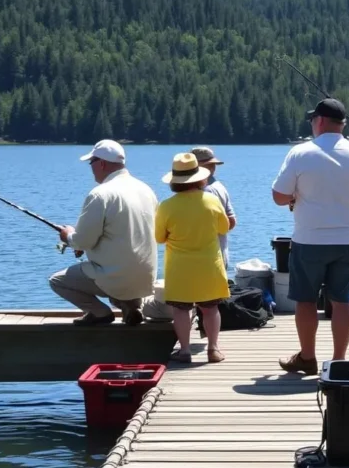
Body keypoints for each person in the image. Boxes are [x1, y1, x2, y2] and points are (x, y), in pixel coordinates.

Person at [271, 97, 349, 375]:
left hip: (310, 240)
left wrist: (296, 195)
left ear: (320, 121)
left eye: (312, 119)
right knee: (342, 299)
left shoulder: (300, 153)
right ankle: (339, 360)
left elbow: (279, 196)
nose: (312, 124)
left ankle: (307, 358)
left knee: (306, 300)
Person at [50, 140, 158, 326]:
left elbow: (82, 240)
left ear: (101, 163)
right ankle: (132, 307)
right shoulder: (146, 190)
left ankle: (99, 313)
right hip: (145, 278)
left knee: (57, 281)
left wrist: (67, 235)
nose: (91, 168)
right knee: (117, 272)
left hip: (117, 278)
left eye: (91, 163)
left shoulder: (100, 194)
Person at [155, 152, 231, 364]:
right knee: (210, 309)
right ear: (200, 177)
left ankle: (185, 350)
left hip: (180, 267)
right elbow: (224, 227)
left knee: (181, 310)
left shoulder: (166, 206)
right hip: (209, 265)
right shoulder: (212, 201)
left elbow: (159, 237)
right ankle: (213, 349)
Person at [191, 146, 236, 270]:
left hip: (207, 259)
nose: (213, 168)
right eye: (211, 165)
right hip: (220, 254)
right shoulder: (219, 186)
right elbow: (231, 222)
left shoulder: (205, 191)